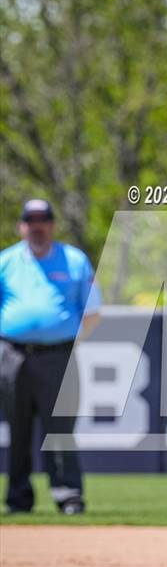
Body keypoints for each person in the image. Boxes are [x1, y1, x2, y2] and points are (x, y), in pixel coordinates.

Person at [0, 198, 101, 515]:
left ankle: (68, 495)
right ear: (21, 226)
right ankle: (18, 498)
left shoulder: (74, 260)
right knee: (17, 430)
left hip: (58, 354)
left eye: (43, 220)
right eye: (31, 220)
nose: (37, 226)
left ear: (52, 225)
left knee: (60, 428)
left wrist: (70, 342)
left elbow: (92, 310)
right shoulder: (6, 261)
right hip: (13, 354)